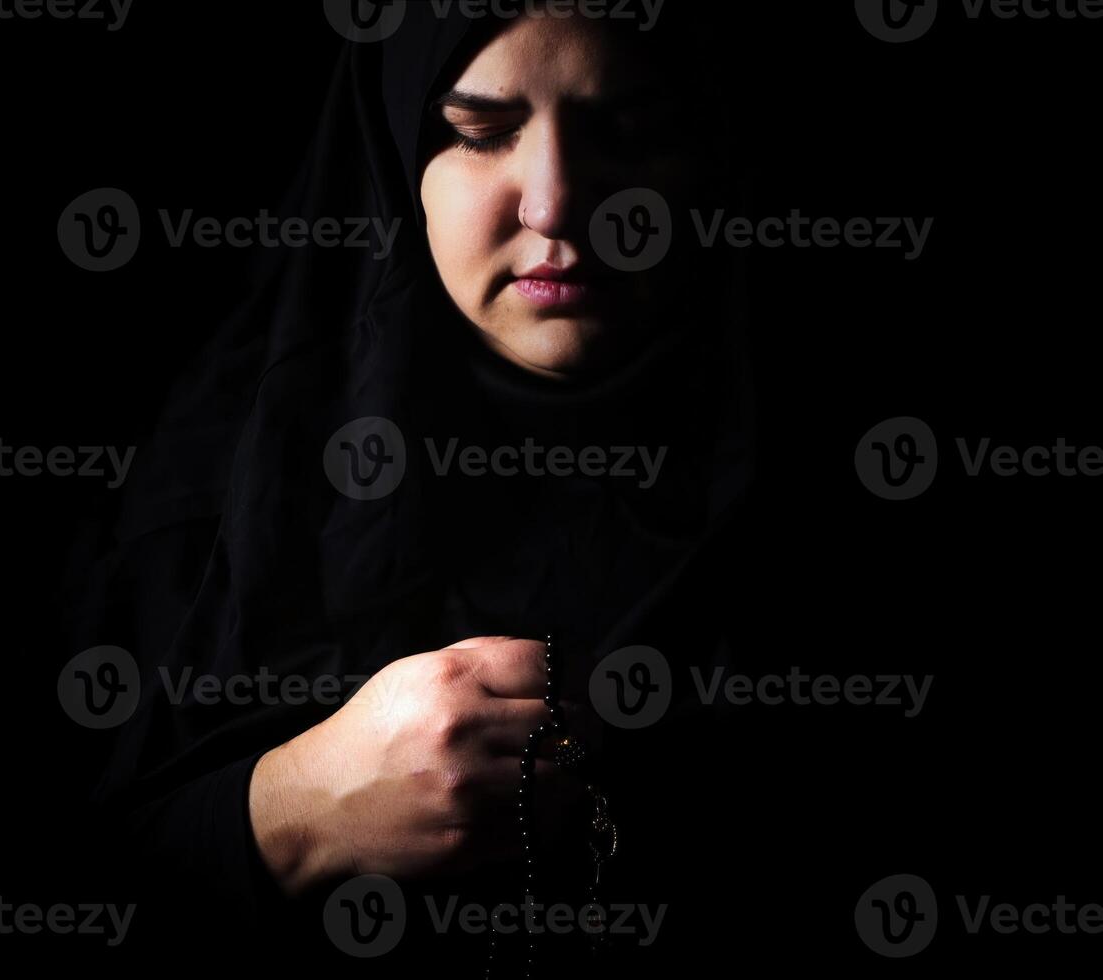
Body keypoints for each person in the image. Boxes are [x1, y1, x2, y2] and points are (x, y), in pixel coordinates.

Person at [63, 5, 758, 973]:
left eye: (629, 131)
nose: (555, 205)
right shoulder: (209, 514)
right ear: (393, 163)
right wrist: (293, 810)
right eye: (478, 134)